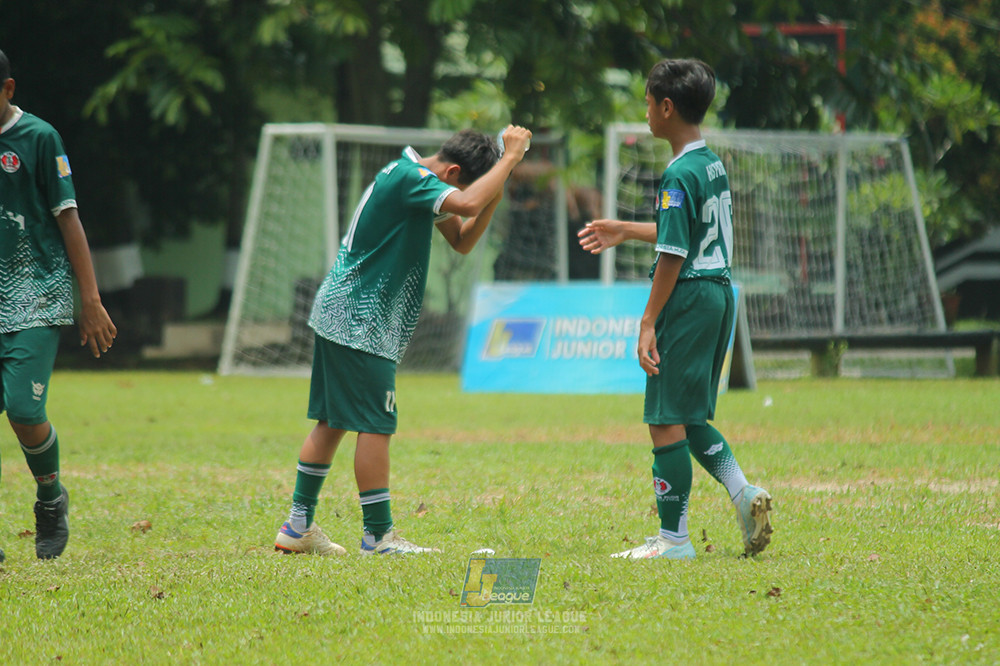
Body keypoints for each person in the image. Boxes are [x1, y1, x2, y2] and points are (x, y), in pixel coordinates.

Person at [275, 125, 532, 556]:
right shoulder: (411, 179)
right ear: (451, 171)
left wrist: (497, 189)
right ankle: (378, 537)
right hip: (361, 320)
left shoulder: (414, 179)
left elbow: (463, 239)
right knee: (377, 422)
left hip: (343, 314)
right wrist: (508, 161)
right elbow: (467, 202)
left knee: (334, 421)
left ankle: (298, 527)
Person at [578, 59, 773, 559]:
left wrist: (648, 321)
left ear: (666, 107)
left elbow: (673, 252)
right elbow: (684, 232)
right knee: (688, 416)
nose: (645, 110)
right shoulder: (709, 163)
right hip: (718, 293)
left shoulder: (677, 172)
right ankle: (743, 493)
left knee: (664, 417)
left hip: (687, 298)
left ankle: (673, 540)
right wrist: (625, 228)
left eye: (648, 100)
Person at [0, 49, 118, 562]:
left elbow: (68, 219)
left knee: (25, 411)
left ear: (7, 89)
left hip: (36, 295)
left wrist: (88, 299)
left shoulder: (40, 140)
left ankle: (51, 499)